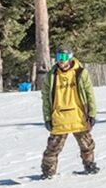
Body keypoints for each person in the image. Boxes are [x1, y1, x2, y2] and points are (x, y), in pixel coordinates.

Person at [41, 48, 98, 179]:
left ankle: (89, 165)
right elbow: (46, 99)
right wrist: (47, 118)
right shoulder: (51, 76)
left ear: (70, 58)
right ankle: (48, 170)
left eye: (64, 57)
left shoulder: (80, 73)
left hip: (79, 116)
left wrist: (92, 113)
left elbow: (90, 94)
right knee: (53, 147)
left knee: (87, 144)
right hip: (59, 117)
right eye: (59, 57)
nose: (61, 60)